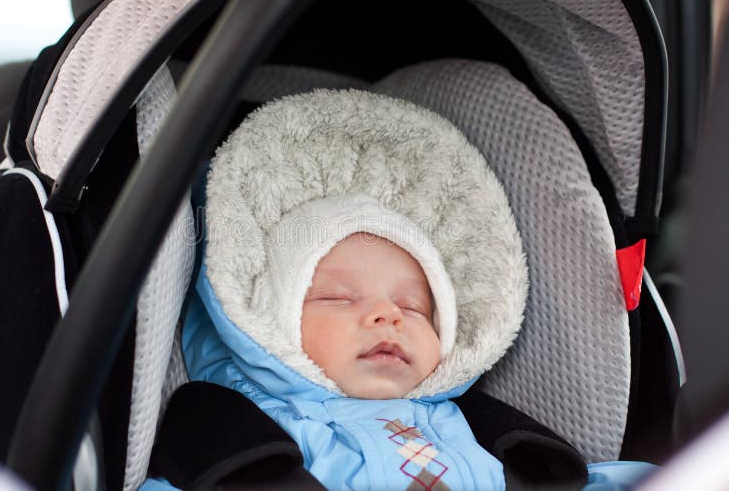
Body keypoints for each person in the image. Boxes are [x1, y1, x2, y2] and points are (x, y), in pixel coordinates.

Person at [141, 89, 649, 490]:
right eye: (338, 298)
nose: (389, 315)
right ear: (269, 322)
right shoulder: (250, 440)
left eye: (415, 306)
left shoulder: (486, 434)